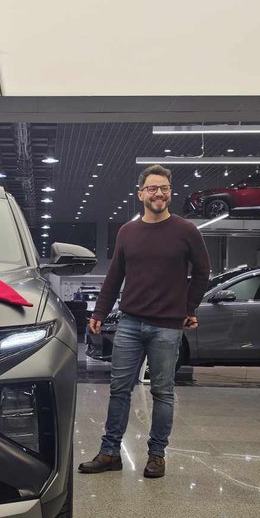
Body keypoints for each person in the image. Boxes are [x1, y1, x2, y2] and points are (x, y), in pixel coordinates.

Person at [79, 165, 211, 479]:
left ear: (170, 193)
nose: (158, 193)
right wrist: (99, 313)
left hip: (167, 326)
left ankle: (157, 455)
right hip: (130, 322)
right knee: (119, 390)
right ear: (141, 194)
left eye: (164, 188)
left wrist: (189, 307)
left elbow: (202, 272)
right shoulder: (127, 232)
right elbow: (114, 276)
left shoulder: (186, 231)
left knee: (162, 392)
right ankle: (110, 453)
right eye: (152, 188)